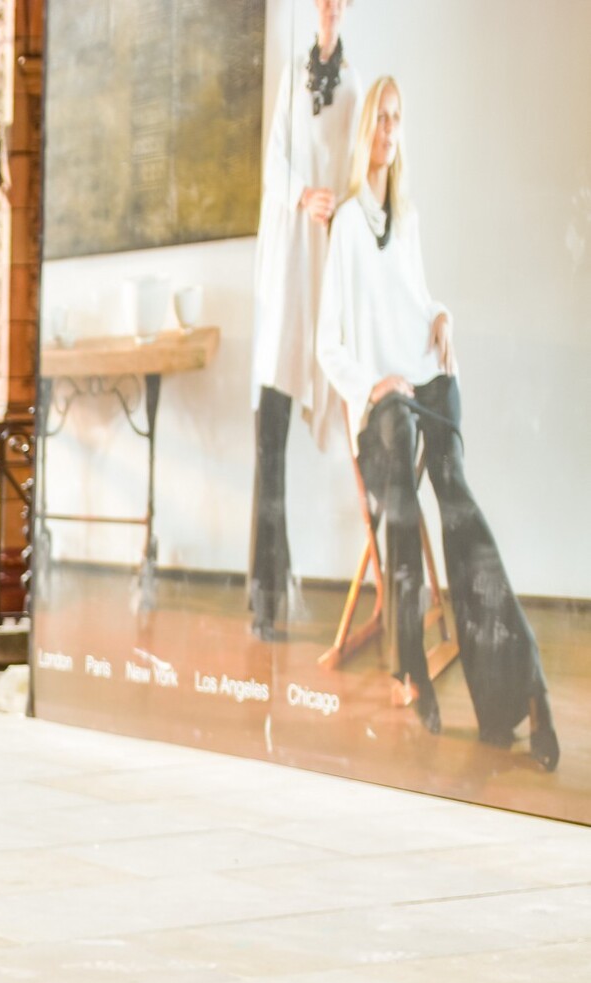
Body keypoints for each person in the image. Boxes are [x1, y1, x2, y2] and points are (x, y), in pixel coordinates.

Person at [317, 76, 559, 769]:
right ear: (366, 130)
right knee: (399, 498)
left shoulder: (409, 217)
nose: (391, 131)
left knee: (456, 499)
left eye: (399, 120)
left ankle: (518, 695)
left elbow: (416, 299)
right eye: (382, 119)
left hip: (425, 372)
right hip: (380, 398)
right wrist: (372, 384)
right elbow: (328, 343)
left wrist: (443, 313)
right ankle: (412, 669)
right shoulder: (346, 227)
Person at [247, 0, 358, 642]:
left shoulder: (356, 86)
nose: (328, 9)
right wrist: (300, 195)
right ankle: (265, 594)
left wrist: (335, 203)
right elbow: (277, 158)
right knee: (271, 441)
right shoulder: (292, 75)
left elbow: (356, 172)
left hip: (326, 271)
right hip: (285, 270)